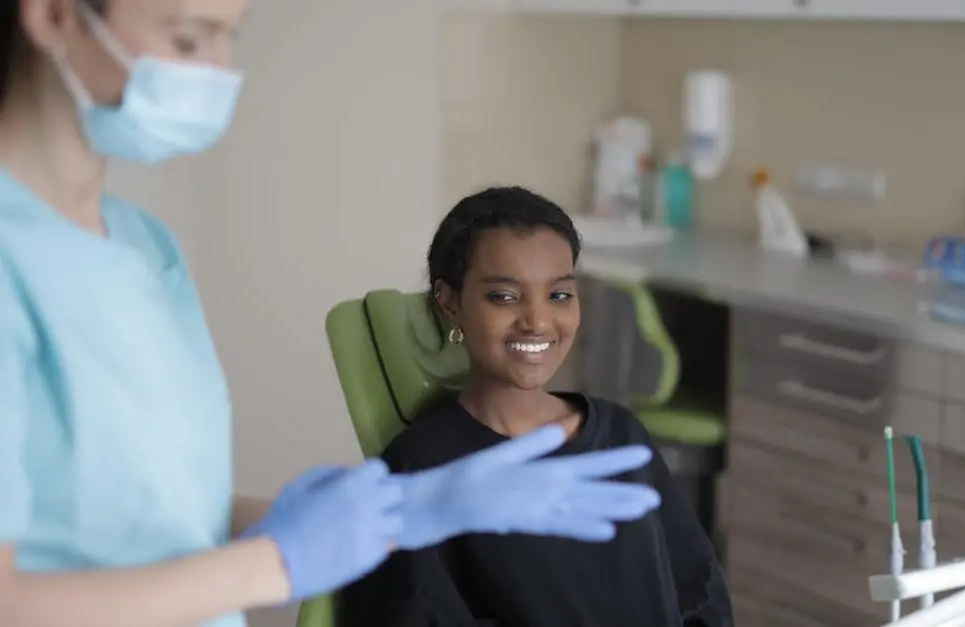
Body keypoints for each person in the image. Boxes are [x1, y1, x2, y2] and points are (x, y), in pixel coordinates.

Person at [0, 2, 664, 627]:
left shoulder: (142, 245)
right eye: (187, 39)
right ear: (54, 15)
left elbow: (141, 515)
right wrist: (278, 561)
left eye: (232, 37)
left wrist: (394, 517)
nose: (217, 73)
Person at [339, 186, 734, 627]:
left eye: (559, 295)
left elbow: (700, 592)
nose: (539, 321)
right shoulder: (422, 468)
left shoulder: (620, 436)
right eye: (504, 297)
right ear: (449, 301)